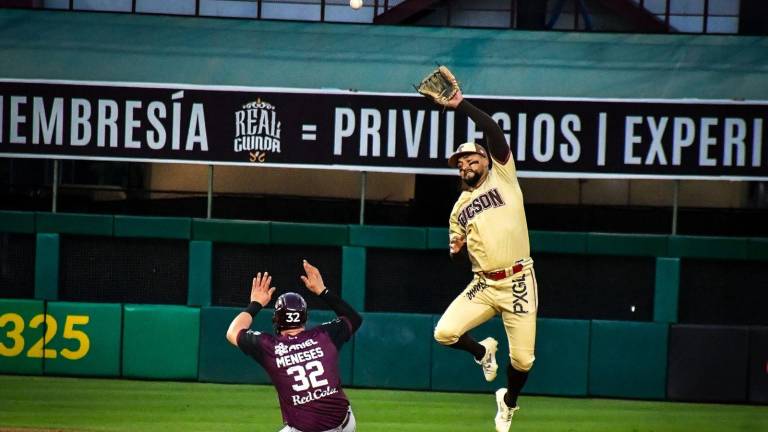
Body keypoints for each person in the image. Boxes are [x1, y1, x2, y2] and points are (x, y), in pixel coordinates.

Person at [429, 88, 539, 432]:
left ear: (487, 159)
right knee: (444, 333)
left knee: (523, 360)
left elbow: (493, 130)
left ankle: (507, 404)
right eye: (460, 163)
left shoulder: (503, 176)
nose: (464, 164)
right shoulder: (459, 208)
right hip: (485, 284)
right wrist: (455, 249)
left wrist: (461, 105)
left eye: (470, 158)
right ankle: (481, 352)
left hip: (518, 280)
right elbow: (457, 248)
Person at [226, 260, 362, 432]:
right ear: (304, 318)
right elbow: (354, 318)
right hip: (346, 423)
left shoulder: (270, 347)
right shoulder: (324, 336)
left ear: (276, 320)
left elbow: (233, 331)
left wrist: (256, 303)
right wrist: (322, 291)